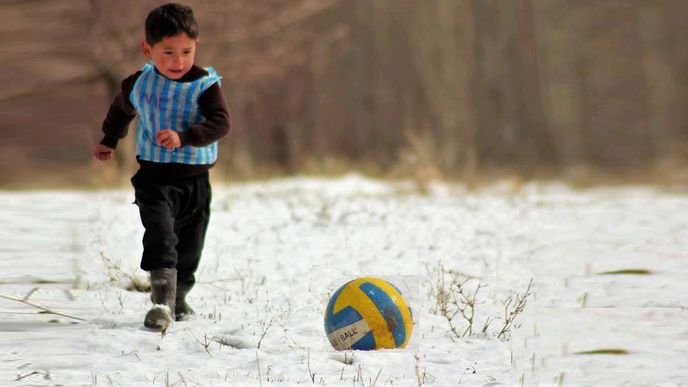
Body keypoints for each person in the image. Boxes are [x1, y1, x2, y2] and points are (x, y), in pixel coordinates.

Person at [92, 3, 230, 331]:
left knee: (191, 245)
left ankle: (179, 297)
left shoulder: (206, 85)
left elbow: (221, 123)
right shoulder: (138, 84)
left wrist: (185, 137)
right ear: (148, 49)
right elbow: (121, 110)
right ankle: (161, 302)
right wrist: (109, 139)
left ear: (197, 45)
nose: (178, 61)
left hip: (195, 180)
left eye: (186, 51)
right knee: (161, 235)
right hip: (153, 178)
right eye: (168, 52)